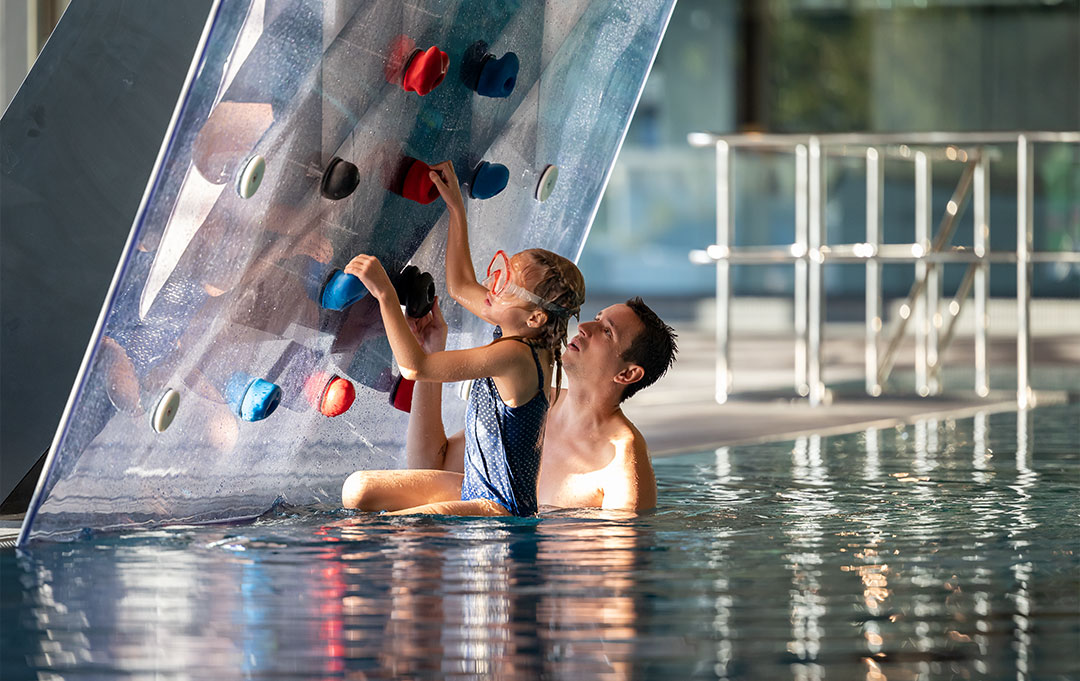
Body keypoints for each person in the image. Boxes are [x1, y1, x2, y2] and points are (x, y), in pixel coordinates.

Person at [343, 161, 585, 517]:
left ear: (535, 316)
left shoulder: (517, 355)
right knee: (358, 491)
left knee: (390, 527)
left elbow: (415, 367)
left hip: (499, 508)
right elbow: (460, 286)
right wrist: (457, 208)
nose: (492, 284)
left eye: (504, 284)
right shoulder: (522, 330)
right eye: (499, 270)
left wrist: (385, 297)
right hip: (472, 487)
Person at [342, 295, 678, 513]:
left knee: (405, 528)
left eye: (607, 331)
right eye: (596, 317)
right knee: (359, 492)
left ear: (629, 374)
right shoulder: (533, 400)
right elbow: (431, 461)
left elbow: (617, 581)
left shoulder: (621, 460)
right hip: (486, 521)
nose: (585, 327)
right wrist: (432, 350)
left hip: (529, 574)